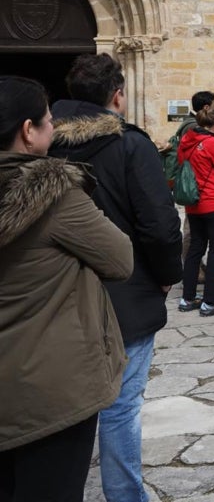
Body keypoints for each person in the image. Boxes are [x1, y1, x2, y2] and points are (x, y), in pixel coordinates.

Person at [46, 56, 181, 502]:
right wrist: (166, 276)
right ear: (116, 95)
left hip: (55, 289)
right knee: (122, 406)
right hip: (126, 289)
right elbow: (158, 223)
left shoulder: (39, 142)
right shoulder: (130, 144)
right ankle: (125, 496)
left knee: (64, 401)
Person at [0, 76, 134, 502]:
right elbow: (119, 260)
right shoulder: (54, 194)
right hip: (46, 388)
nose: (54, 129)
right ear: (27, 130)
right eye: (47, 121)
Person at [178, 107, 214, 316]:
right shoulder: (211, 143)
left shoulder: (186, 141)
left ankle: (188, 297)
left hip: (193, 205)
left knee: (195, 249)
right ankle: (210, 301)